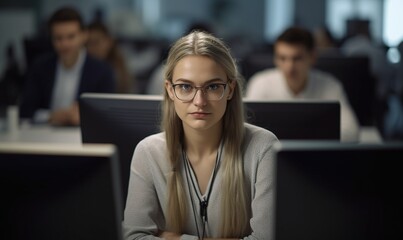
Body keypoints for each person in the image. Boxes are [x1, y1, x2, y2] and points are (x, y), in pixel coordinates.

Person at [123, 31, 279, 239]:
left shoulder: (263, 148)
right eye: (185, 87)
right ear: (170, 90)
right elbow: (134, 237)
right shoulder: (148, 152)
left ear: (230, 90)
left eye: (213, 86)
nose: (200, 101)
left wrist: (172, 237)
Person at [246, 27, 360, 142]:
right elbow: (247, 131)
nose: (289, 67)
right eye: (282, 58)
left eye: (297, 58)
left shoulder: (331, 85)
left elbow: (351, 132)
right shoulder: (260, 83)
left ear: (312, 57)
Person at [20, 7, 116, 125]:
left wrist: (83, 116)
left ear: (84, 35)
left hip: (84, 138)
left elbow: (107, 116)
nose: (64, 44)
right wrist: (50, 116)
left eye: (71, 37)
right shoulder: (40, 67)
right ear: (51, 39)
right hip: (43, 135)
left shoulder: (102, 71)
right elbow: (25, 111)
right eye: (58, 38)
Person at [87, 21, 134, 93]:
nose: (92, 48)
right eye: (88, 43)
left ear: (109, 41)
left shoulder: (119, 70)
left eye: (96, 42)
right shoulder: (85, 69)